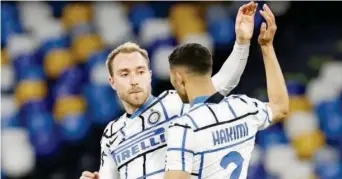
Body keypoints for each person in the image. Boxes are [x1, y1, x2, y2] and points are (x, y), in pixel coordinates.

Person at [80, 1, 257, 179]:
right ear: (113, 82)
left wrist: (241, 43)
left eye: (140, 72)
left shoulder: (175, 103)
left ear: (149, 75)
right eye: (125, 74)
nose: (134, 81)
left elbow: (224, 81)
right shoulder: (111, 134)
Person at [164, 4, 289, 179]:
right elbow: (281, 106)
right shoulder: (243, 107)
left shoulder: (184, 128)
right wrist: (267, 47)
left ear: (178, 78)